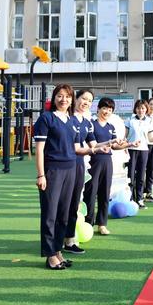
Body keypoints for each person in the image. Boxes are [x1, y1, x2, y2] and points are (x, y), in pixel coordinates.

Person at [34, 84, 88, 269]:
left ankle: (58, 251)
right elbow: (39, 150)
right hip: (52, 171)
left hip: (71, 169)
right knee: (50, 214)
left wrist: (98, 148)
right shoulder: (46, 118)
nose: (63, 99)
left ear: (71, 100)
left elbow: (76, 148)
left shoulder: (71, 120)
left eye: (67, 96)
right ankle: (50, 255)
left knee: (64, 214)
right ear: (54, 98)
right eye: (60, 96)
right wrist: (41, 175)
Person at [83, 97, 133, 235]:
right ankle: (88, 223)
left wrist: (129, 144)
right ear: (98, 108)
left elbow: (115, 146)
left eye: (110, 109)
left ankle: (102, 224)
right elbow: (92, 145)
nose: (107, 111)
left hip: (107, 162)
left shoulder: (111, 127)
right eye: (104, 108)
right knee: (90, 193)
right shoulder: (91, 124)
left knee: (105, 193)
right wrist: (110, 142)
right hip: (94, 162)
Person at [63, 89, 96, 255]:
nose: (86, 103)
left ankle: (69, 239)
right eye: (84, 98)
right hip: (66, 165)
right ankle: (62, 239)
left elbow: (94, 145)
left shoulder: (87, 122)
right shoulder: (68, 119)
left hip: (79, 165)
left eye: (89, 101)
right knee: (65, 203)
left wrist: (116, 143)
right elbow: (76, 148)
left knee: (75, 203)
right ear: (76, 99)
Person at [125, 100, 152, 208]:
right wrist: (125, 147)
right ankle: (130, 198)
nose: (141, 110)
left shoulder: (149, 121)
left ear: (146, 109)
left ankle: (139, 199)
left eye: (143, 108)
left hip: (144, 150)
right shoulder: (129, 120)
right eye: (138, 108)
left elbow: (151, 138)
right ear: (135, 109)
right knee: (130, 175)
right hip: (131, 149)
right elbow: (125, 136)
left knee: (141, 176)